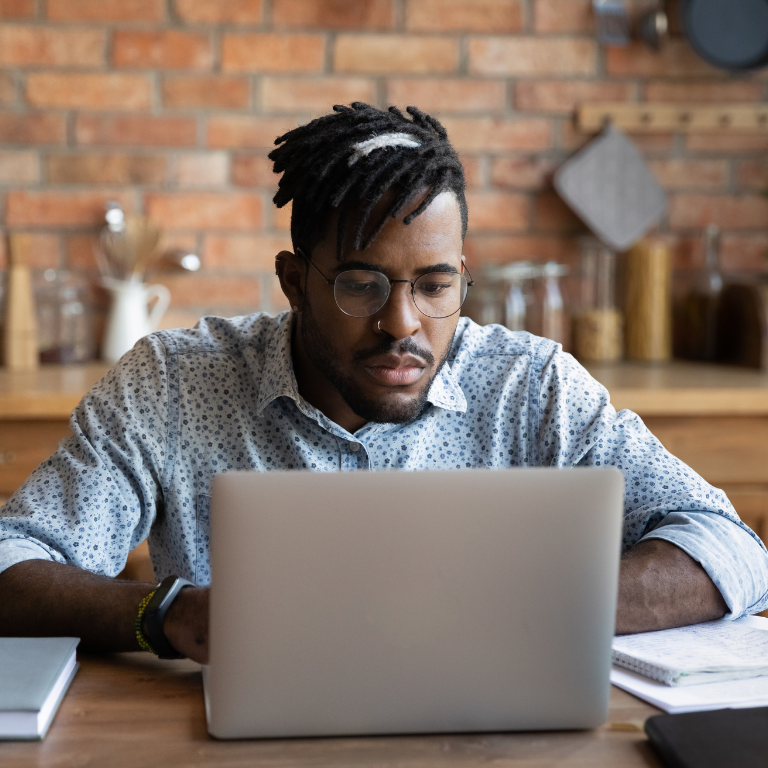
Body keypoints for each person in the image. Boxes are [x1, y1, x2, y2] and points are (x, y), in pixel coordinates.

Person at [1, 104, 766, 665]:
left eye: (434, 287)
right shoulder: (172, 383)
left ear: (461, 278)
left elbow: (730, 547)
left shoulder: (530, 386)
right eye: (362, 285)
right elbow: (10, 562)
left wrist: (540, 606)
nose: (403, 323)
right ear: (294, 281)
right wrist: (167, 614)